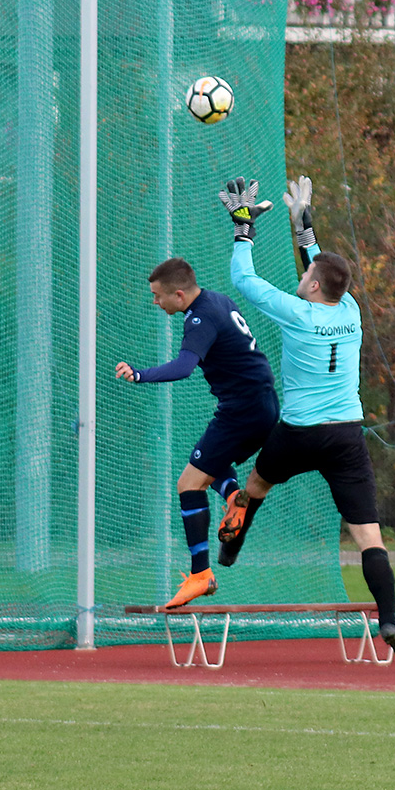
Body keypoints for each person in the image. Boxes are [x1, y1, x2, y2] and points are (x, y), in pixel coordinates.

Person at [214, 175, 395, 661]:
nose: (302, 275)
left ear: (314, 285)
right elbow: (323, 266)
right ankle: (389, 619)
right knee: (368, 537)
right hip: (345, 436)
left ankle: (231, 548)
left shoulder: (298, 313)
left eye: (307, 274)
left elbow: (244, 281)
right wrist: (302, 225)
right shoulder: (350, 311)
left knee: (255, 485)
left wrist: (243, 228)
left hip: (298, 433)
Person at [115, 258, 279, 608]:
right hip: (264, 405)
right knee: (207, 463)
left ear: (178, 294)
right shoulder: (220, 300)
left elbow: (184, 367)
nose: (155, 302)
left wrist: (139, 374)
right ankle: (233, 496)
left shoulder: (199, 318)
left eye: (158, 296)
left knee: (188, 484)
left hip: (241, 411)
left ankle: (201, 575)